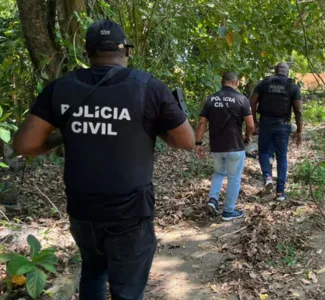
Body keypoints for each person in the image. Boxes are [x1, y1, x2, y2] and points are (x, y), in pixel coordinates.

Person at [13, 19, 194, 300]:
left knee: (93, 272)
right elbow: (186, 141)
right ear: (127, 52)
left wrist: (65, 134)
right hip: (130, 211)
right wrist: (153, 129)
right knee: (127, 290)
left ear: (87, 53)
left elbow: (25, 145)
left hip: (82, 209)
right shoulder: (148, 87)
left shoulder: (61, 88)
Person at [195, 72, 254, 221]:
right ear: (237, 83)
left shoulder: (211, 99)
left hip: (216, 147)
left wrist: (198, 143)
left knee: (219, 173)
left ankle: (213, 200)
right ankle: (228, 211)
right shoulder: (242, 99)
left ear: (221, 82)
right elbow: (250, 124)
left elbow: (202, 123)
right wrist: (247, 136)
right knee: (234, 178)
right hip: (235, 146)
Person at [250, 62, 303, 201]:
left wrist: (253, 122)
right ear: (288, 72)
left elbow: (252, 102)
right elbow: (298, 110)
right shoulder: (293, 87)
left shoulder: (263, 84)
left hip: (265, 123)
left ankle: (267, 177)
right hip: (282, 125)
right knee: (282, 157)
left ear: (275, 71)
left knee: (263, 151)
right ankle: (280, 192)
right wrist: (299, 131)